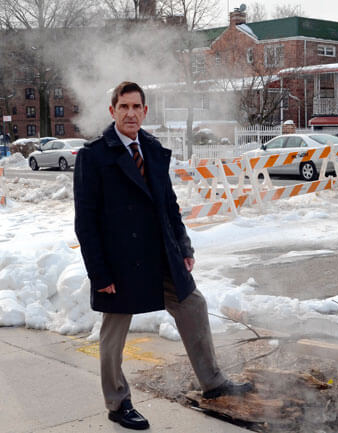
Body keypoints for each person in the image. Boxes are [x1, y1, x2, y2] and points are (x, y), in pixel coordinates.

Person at [74, 81, 252, 431]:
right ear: (112, 112)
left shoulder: (152, 150)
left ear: (145, 111)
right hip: (120, 260)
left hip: (160, 254)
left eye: (136, 107)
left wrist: (184, 248)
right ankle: (117, 403)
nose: (130, 113)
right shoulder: (94, 156)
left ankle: (213, 382)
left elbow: (169, 206)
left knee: (193, 305)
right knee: (114, 332)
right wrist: (100, 273)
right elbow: (86, 222)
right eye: (123, 107)